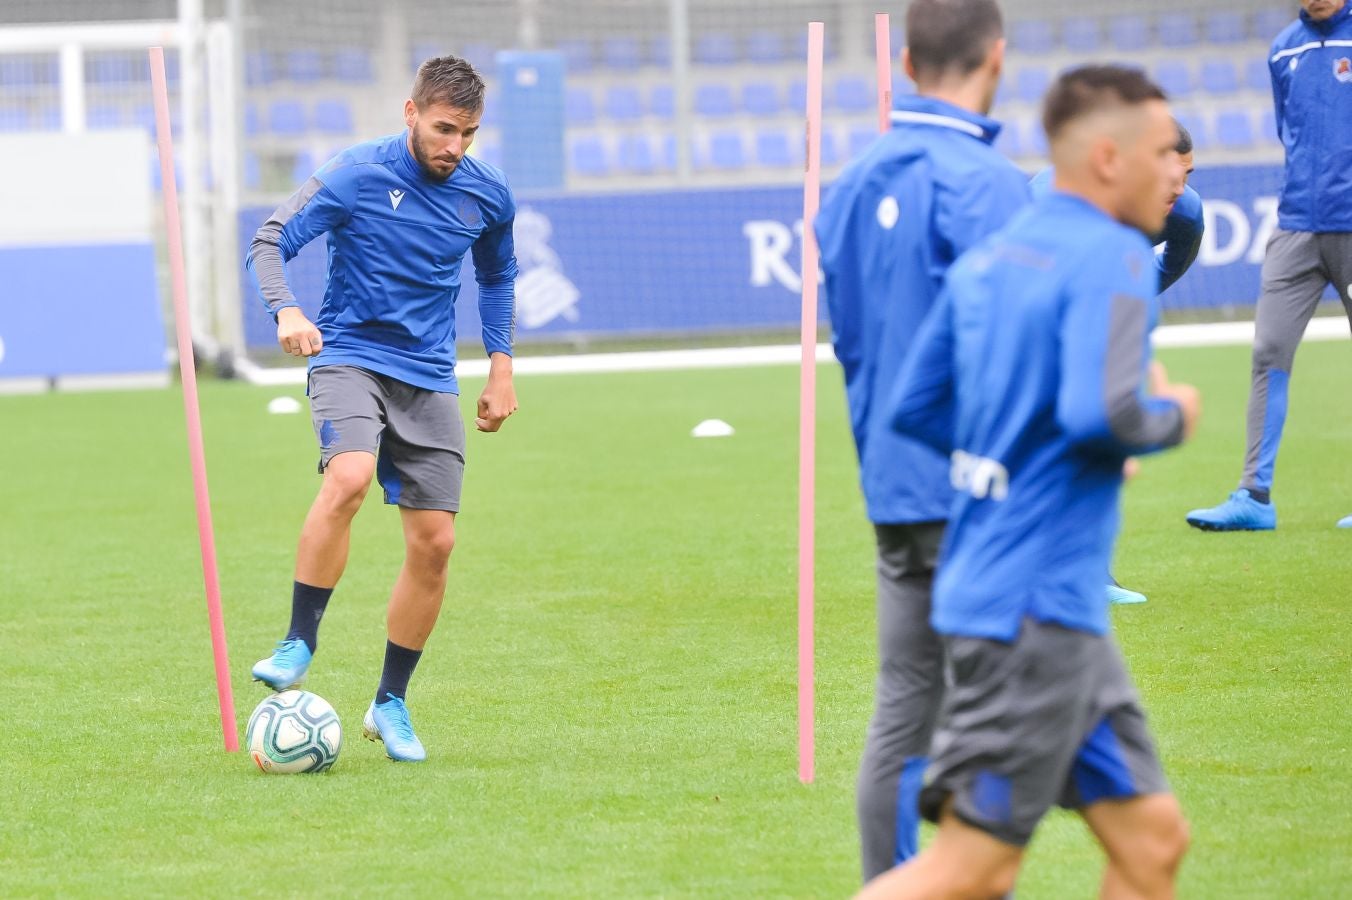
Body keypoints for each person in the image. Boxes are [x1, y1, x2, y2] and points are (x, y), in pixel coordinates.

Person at [858, 65, 1200, 899]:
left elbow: (917, 404)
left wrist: (1013, 451)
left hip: (1045, 608)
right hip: (1032, 614)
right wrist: (1172, 417)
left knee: (1154, 842)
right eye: (1164, 153)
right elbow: (1104, 414)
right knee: (972, 868)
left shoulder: (994, 256)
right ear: (1109, 157)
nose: (1179, 174)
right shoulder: (1120, 254)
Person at [246, 55, 519, 763]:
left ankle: (389, 703)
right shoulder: (356, 172)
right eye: (442, 128)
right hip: (348, 356)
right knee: (348, 478)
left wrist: (501, 368)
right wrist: (286, 310)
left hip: (428, 377)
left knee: (437, 545)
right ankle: (298, 641)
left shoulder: (488, 196)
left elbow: (497, 276)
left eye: (468, 133)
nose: (453, 146)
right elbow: (271, 238)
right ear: (410, 113)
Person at [814, 0, 1030, 882]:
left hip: (894, 484)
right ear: (998, 57)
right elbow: (1017, 351)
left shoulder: (850, 184)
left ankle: (891, 882)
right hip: (983, 491)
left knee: (906, 706)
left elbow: (857, 343)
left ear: (905, 63)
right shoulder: (992, 184)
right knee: (1004, 719)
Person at [1186, 0, 1352, 531]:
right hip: (1296, 224)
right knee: (1268, 350)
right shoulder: (1283, 48)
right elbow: (1291, 133)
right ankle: (1254, 497)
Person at [1030, 120, 1204, 604]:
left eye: (1189, 173)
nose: (1180, 187)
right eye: (1172, 172)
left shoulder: (1185, 212)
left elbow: (1173, 260)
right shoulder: (1058, 201)